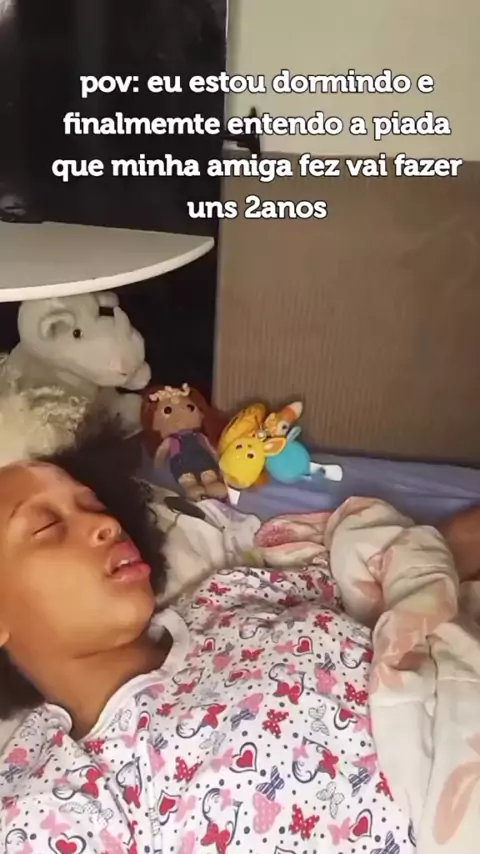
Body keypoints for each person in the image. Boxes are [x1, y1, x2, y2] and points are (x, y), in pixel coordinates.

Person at [0, 424, 437, 854]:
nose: (105, 524)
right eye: (46, 526)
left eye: (93, 504)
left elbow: (409, 590)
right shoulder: (47, 810)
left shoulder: (228, 594)